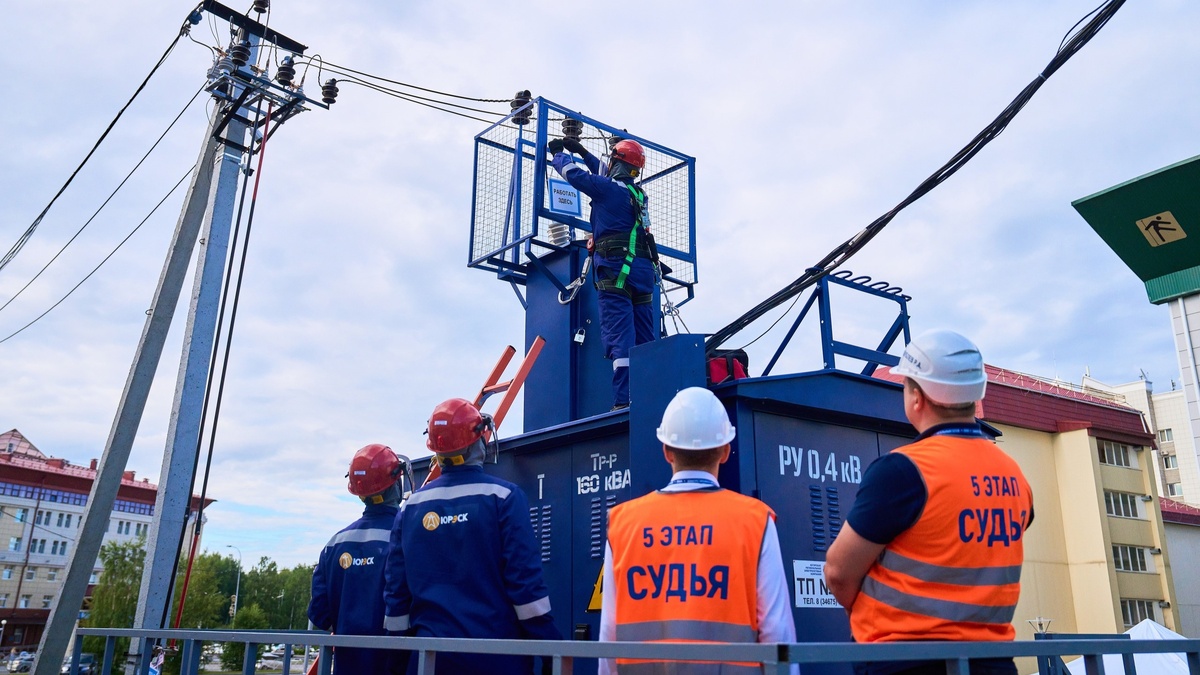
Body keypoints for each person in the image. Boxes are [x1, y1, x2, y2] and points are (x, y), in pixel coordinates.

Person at [824, 329, 1035, 675]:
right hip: (992, 663)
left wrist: (867, 620)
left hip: (904, 663)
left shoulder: (903, 471)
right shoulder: (1015, 476)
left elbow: (838, 572)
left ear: (917, 397)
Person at [599, 387, 798, 674]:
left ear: (667, 452)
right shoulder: (755, 520)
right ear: (726, 451)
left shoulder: (623, 523)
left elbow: (609, 634)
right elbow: (777, 631)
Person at [383, 398, 561, 674]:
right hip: (496, 658)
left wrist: (395, 664)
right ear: (480, 441)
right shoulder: (504, 497)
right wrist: (552, 651)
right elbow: (525, 587)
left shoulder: (409, 509)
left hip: (430, 661)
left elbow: (397, 596)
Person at [548, 136, 657, 410]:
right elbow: (605, 172)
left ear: (617, 164)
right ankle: (650, 396)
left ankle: (624, 402)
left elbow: (575, 176)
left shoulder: (607, 190)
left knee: (620, 337)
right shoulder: (637, 195)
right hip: (642, 275)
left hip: (615, 270)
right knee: (645, 340)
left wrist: (559, 153)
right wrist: (584, 151)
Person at [308, 443, 408, 674]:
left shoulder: (334, 544)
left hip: (347, 664)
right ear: (395, 482)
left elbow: (320, 615)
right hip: (396, 665)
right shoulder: (408, 538)